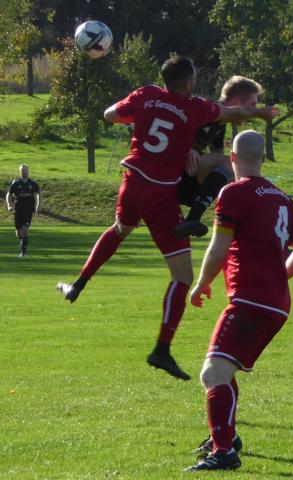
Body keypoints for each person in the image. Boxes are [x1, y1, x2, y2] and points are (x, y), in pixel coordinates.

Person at [56, 56, 278, 381]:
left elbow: (109, 115)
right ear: (189, 83)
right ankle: (162, 348)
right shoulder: (195, 107)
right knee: (182, 277)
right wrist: (261, 112)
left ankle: (78, 284)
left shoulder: (146, 95)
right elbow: (234, 113)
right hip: (161, 193)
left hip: (131, 181)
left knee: (120, 229)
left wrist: (137, 117)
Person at [185, 130, 293, 471]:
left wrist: (200, 284)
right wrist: (278, 276)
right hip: (276, 304)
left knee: (212, 374)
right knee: (224, 369)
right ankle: (226, 436)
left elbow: (218, 249)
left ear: (232, 157)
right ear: (263, 159)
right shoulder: (283, 198)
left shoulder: (234, 192)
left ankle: (224, 452)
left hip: (250, 301)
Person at [175, 76, 266, 239]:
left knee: (237, 178)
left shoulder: (220, 124)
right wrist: (186, 148)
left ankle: (259, 233)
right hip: (168, 171)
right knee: (231, 164)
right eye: (252, 104)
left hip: (185, 179)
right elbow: (170, 126)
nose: (253, 110)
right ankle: (194, 218)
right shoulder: (208, 111)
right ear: (237, 101)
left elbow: (218, 163)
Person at [6, 164, 41, 258]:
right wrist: (9, 205)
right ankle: (23, 240)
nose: (23, 172)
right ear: (20, 171)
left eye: (25, 170)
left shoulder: (33, 183)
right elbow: (8, 195)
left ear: (28, 171)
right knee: (18, 233)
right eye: (22, 170)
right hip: (18, 210)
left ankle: (23, 253)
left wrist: (38, 205)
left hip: (28, 210)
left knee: (25, 230)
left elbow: (39, 193)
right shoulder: (16, 183)